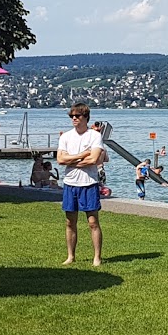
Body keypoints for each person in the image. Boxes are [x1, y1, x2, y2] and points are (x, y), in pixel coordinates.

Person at [57, 104, 105, 265]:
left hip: (89, 183)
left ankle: (97, 257)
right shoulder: (66, 137)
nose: (74, 119)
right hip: (70, 183)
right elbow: (60, 159)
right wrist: (82, 154)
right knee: (70, 222)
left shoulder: (94, 136)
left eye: (77, 116)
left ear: (86, 117)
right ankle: (71, 256)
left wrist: (71, 160)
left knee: (93, 222)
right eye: (72, 116)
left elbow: (93, 159)